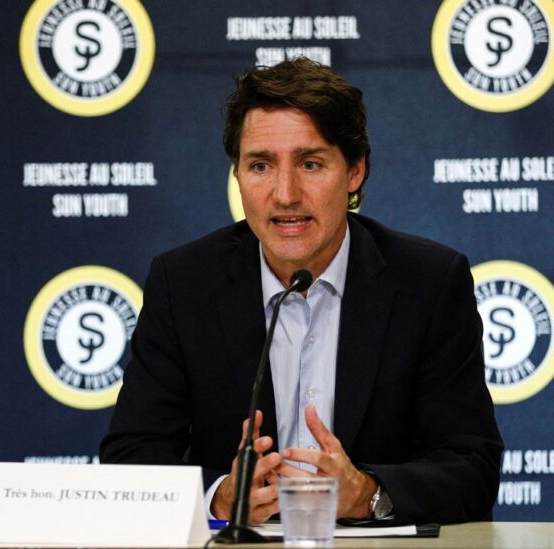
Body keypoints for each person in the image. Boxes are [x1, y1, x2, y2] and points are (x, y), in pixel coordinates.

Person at [99, 58, 503, 524]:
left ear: (354, 172)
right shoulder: (184, 283)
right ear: (238, 177)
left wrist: (370, 494)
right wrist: (220, 499)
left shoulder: (428, 282)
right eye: (260, 165)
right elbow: (130, 457)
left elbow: (472, 466)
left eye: (310, 163)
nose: (285, 193)